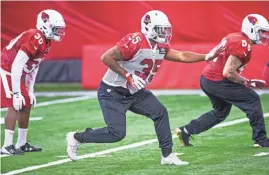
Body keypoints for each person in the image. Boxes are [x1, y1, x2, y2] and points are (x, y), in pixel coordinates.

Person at [66, 10, 218, 165]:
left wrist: (206, 56)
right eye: (160, 29)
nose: (164, 33)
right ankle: (77, 138)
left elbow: (181, 56)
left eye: (166, 29)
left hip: (134, 92)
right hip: (113, 92)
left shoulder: (161, 46)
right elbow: (106, 57)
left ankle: (167, 155)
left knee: (160, 112)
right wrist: (127, 75)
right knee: (116, 134)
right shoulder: (135, 41)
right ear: (148, 27)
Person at [176, 14, 269, 147]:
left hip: (207, 79)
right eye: (260, 31)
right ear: (252, 29)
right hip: (218, 80)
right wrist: (246, 82)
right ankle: (261, 139)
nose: (263, 35)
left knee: (221, 112)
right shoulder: (242, 43)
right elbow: (228, 72)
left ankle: (186, 130)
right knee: (252, 99)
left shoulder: (235, 37)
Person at [1, 9, 66, 155]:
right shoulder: (34, 36)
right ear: (46, 25)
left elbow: (33, 66)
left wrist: (30, 90)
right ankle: (6, 145)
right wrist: (17, 92)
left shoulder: (46, 41)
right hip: (6, 68)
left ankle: (22, 143)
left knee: (26, 103)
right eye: (56, 29)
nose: (59, 32)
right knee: (15, 104)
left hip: (16, 70)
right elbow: (17, 64)